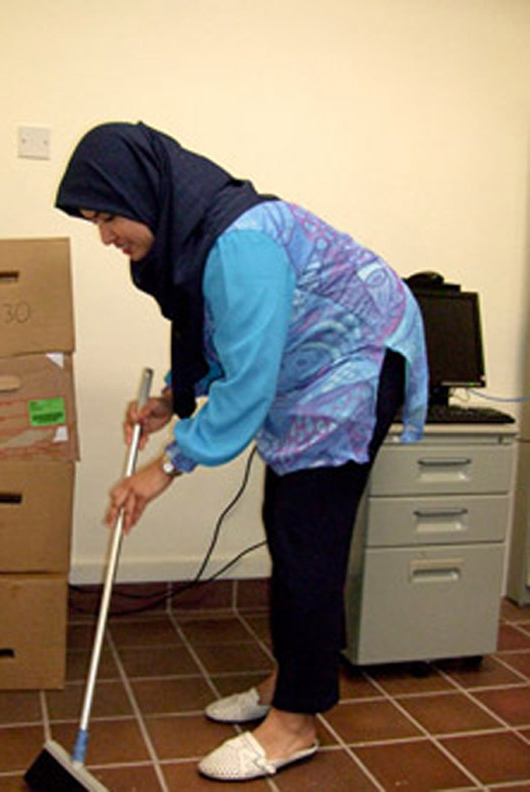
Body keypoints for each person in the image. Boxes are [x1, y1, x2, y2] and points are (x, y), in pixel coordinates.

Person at [56, 121, 428, 782]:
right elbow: (223, 332)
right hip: (309, 369)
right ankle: (290, 678)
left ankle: (295, 725)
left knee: (308, 539)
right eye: (95, 223)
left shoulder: (241, 244)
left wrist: (166, 467)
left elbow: (249, 380)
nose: (105, 237)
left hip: (355, 366)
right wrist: (174, 398)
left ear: (145, 194)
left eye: (108, 217)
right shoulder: (200, 236)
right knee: (287, 526)